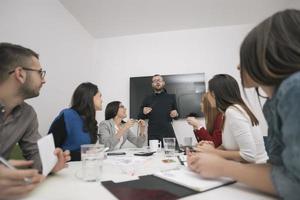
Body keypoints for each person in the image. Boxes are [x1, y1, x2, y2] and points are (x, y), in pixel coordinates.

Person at [187, 9, 300, 199]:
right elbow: (279, 167)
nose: (239, 67)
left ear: (270, 55)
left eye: (246, 58)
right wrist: (215, 154)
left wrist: (221, 165)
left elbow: (293, 182)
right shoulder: (272, 104)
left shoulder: (293, 89)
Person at [0, 43, 70, 198]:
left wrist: (51, 163)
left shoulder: (28, 114)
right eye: (40, 73)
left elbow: (34, 156)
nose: (44, 80)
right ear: (20, 74)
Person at [194, 74, 268, 163]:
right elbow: (228, 146)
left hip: (255, 171)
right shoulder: (229, 112)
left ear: (213, 94)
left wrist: (213, 152)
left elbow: (249, 155)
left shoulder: (233, 112)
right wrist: (211, 147)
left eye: (208, 92)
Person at [48, 82, 103, 161]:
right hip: (66, 168)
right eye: (100, 96)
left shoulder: (90, 121)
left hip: (83, 167)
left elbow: (87, 151)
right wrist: (84, 155)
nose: (102, 100)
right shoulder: (68, 115)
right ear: (90, 97)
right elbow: (50, 149)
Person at [138, 74, 178, 144]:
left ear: (163, 83)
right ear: (152, 84)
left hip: (168, 130)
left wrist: (176, 114)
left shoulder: (171, 97)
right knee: (153, 154)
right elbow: (140, 117)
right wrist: (143, 113)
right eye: (155, 81)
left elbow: (177, 116)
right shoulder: (147, 98)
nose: (157, 82)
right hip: (153, 132)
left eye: (159, 80)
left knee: (172, 152)